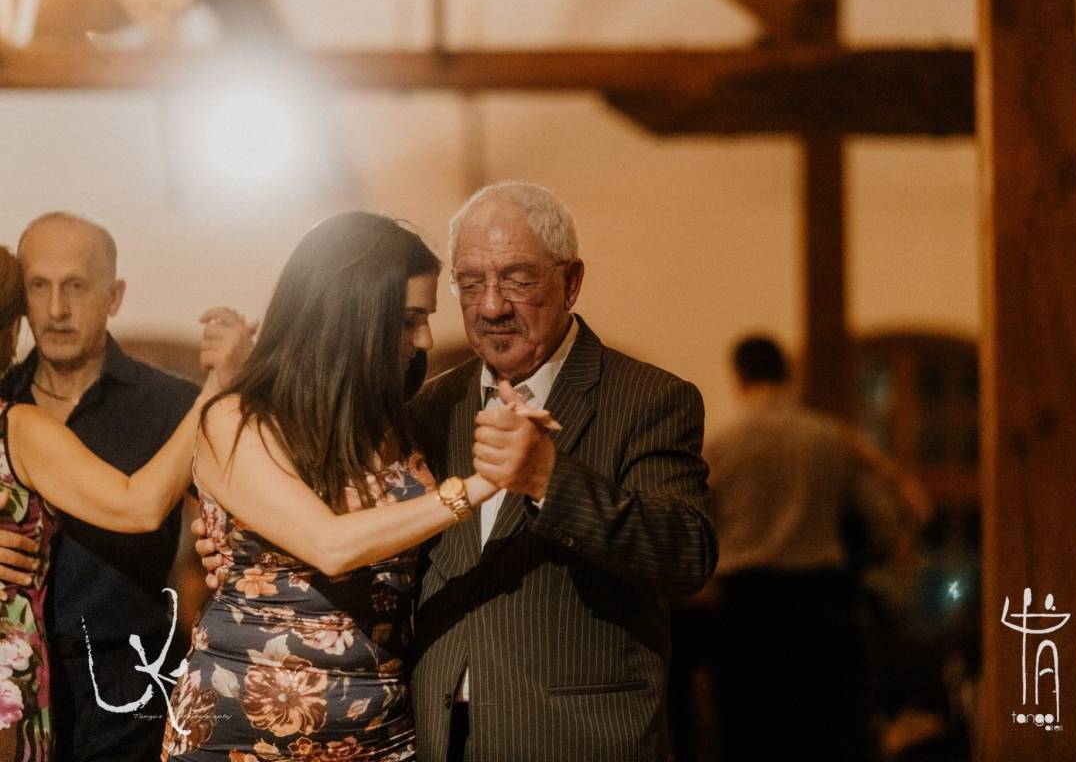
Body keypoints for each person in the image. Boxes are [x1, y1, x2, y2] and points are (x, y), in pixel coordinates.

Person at [196, 186, 717, 761]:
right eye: (470, 284)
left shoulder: (647, 398)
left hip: (571, 736)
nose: (491, 306)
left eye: (517, 279)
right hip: (427, 733)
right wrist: (244, 541)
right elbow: (354, 527)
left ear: (570, 282)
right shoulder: (427, 406)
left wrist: (550, 480)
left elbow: (685, 557)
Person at [163, 212, 538, 761]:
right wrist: (480, 486)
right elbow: (329, 546)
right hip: (242, 733)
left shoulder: (401, 422)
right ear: (350, 315)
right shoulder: (235, 421)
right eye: (408, 319)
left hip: (380, 732)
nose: (425, 339)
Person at [0, 213, 253, 762]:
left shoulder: (173, 405)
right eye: (39, 286)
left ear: (113, 296)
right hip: (14, 686)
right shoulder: (4, 401)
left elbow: (246, 514)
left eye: (76, 286)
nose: (57, 309)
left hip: (132, 683)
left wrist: (236, 387)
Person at [705, 335, 918, 762]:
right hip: (821, 607)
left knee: (749, 740)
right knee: (823, 740)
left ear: (739, 377)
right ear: (788, 374)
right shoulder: (829, 438)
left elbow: (697, 532)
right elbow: (881, 523)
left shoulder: (719, 445)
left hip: (745, 610)